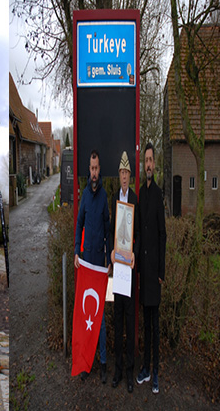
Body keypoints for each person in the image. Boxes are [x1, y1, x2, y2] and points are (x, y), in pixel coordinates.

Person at [74, 149, 111, 383]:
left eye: (97, 168)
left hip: (100, 265)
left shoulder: (105, 196)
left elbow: (107, 227)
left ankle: (104, 361)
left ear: (100, 169)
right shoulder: (85, 196)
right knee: (85, 315)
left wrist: (108, 259)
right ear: (88, 170)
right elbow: (79, 224)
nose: (94, 172)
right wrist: (77, 251)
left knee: (101, 318)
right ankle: (86, 364)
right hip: (86, 263)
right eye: (92, 168)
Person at [136, 142, 166, 394]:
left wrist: (161, 272)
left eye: (150, 160)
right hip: (142, 271)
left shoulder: (157, 194)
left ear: (155, 164)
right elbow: (137, 232)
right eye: (145, 160)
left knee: (155, 326)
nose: (147, 164)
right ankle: (145, 368)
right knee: (145, 323)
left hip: (154, 272)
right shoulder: (140, 194)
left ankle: (155, 371)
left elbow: (162, 234)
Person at [110, 151, 140, 393]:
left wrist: (134, 256)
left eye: (127, 173)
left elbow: (137, 235)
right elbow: (113, 229)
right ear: (118, 175)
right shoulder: (114, 199)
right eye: (121, 173)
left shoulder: (135, 200)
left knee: (129, 322)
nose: (124, 176)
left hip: (128, 269)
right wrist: (112, 251)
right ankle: (118, 369)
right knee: (117, 319)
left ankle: (130, 371)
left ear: (130, 176)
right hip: (116, 268)